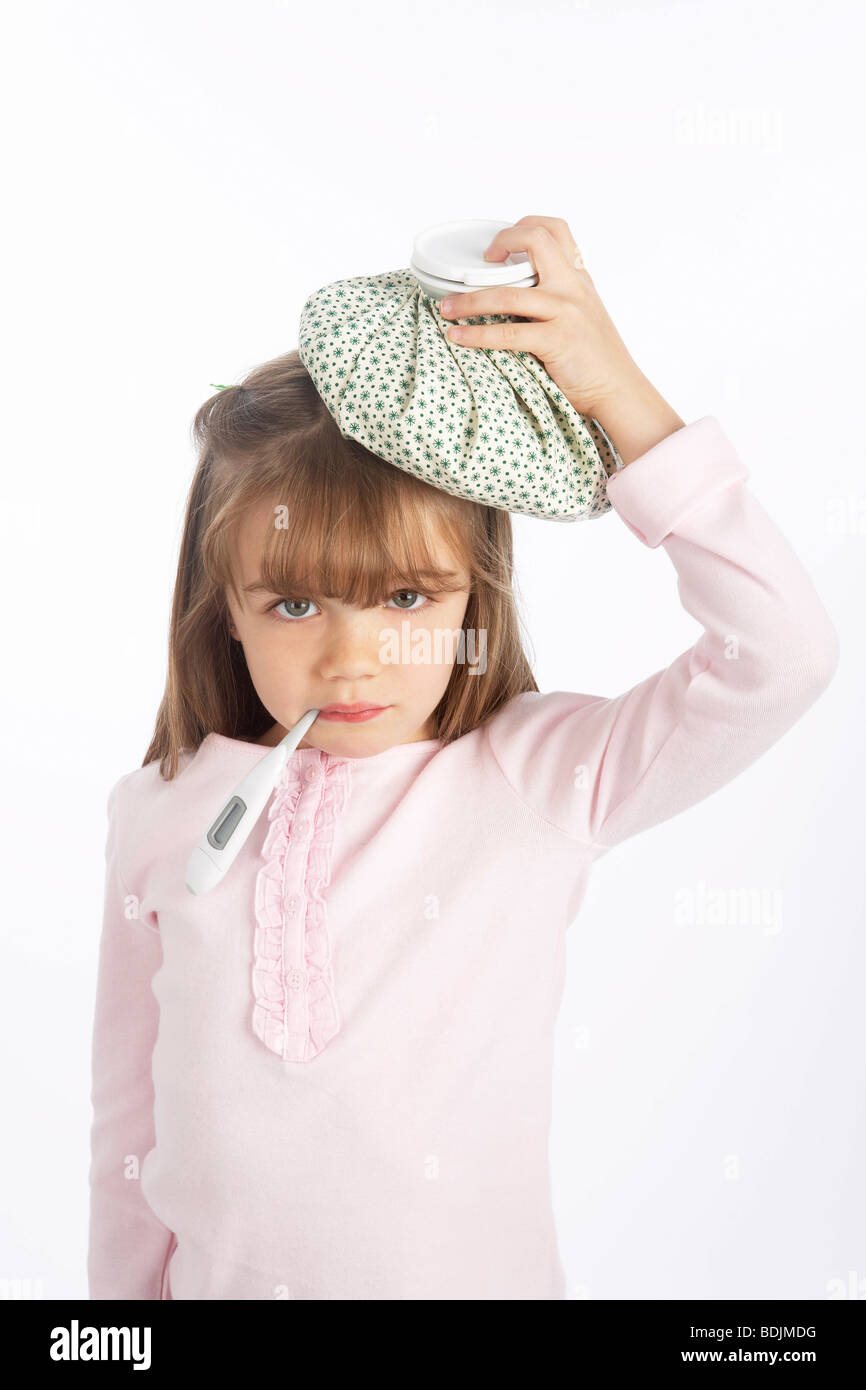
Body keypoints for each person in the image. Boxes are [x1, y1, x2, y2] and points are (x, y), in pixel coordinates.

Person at [87, 216, 839, 1300]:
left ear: (472, 598)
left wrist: (616, 394)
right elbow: (128, 1135)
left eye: (404, 597)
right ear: (227, 614)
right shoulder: (153, 811)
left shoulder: (538, 779)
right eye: (294, 602)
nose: (352, 659)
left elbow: (782, 653)